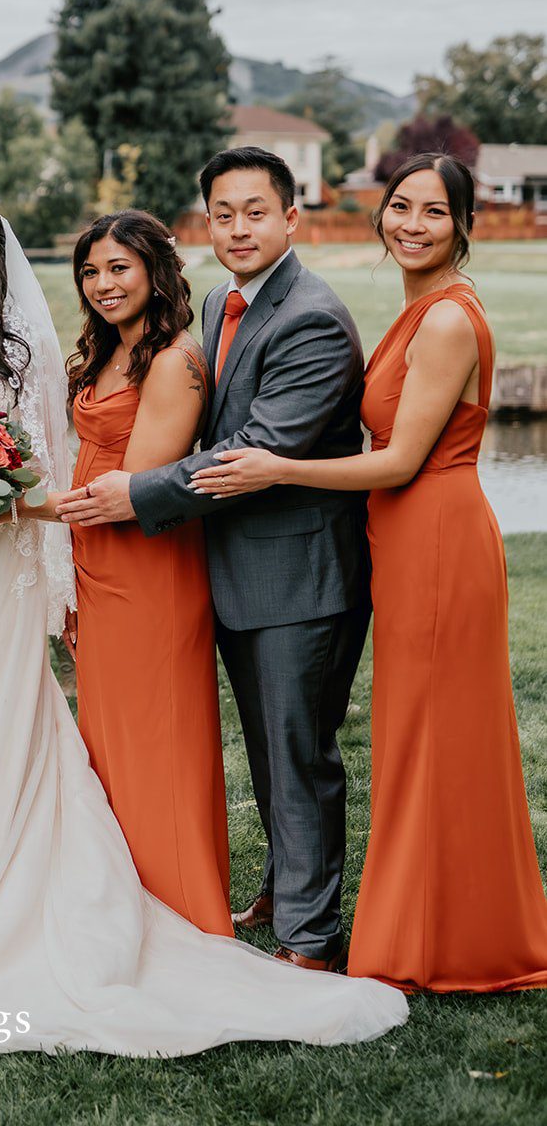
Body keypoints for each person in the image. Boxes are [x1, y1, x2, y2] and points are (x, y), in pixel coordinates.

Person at [0, 196, 408, 1062]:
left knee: (13, 714)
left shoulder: (37, 350)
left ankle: (220, 906)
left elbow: (66, 464)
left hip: (37, 546)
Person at [192, 153, 547, 993]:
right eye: (398, 207)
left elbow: (396, 464)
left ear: (463, 225)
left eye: (431, 212)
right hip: (403, 539)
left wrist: (277, 469)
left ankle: (443, 940)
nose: (410, 224)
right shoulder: (415, 309)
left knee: (435, 741)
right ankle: (429, 919)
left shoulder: (448, 320)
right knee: (419, 741)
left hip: (436, 537)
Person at [58, 147, 372, 974]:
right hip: (232, 567)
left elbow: (253, 450)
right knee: (272, 749)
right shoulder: (223, 306)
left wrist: (138, 492)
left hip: (298, 574)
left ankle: (308, 938)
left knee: (297, 751)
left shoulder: (309, 315)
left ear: (290, 217)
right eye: (222, 214)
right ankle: (280, 891)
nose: (237, 227)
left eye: (255, 211)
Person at [65, 210, 230, 934]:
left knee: (155, 738)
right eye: (91, 271)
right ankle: (119, 897)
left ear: (154, 272)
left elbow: (129, 492)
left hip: (148, 568)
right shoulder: (106, 351)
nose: (103, 284)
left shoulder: (174, 361)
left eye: (118, 268)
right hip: (94, 568)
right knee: (109, 739)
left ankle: (180, 908)